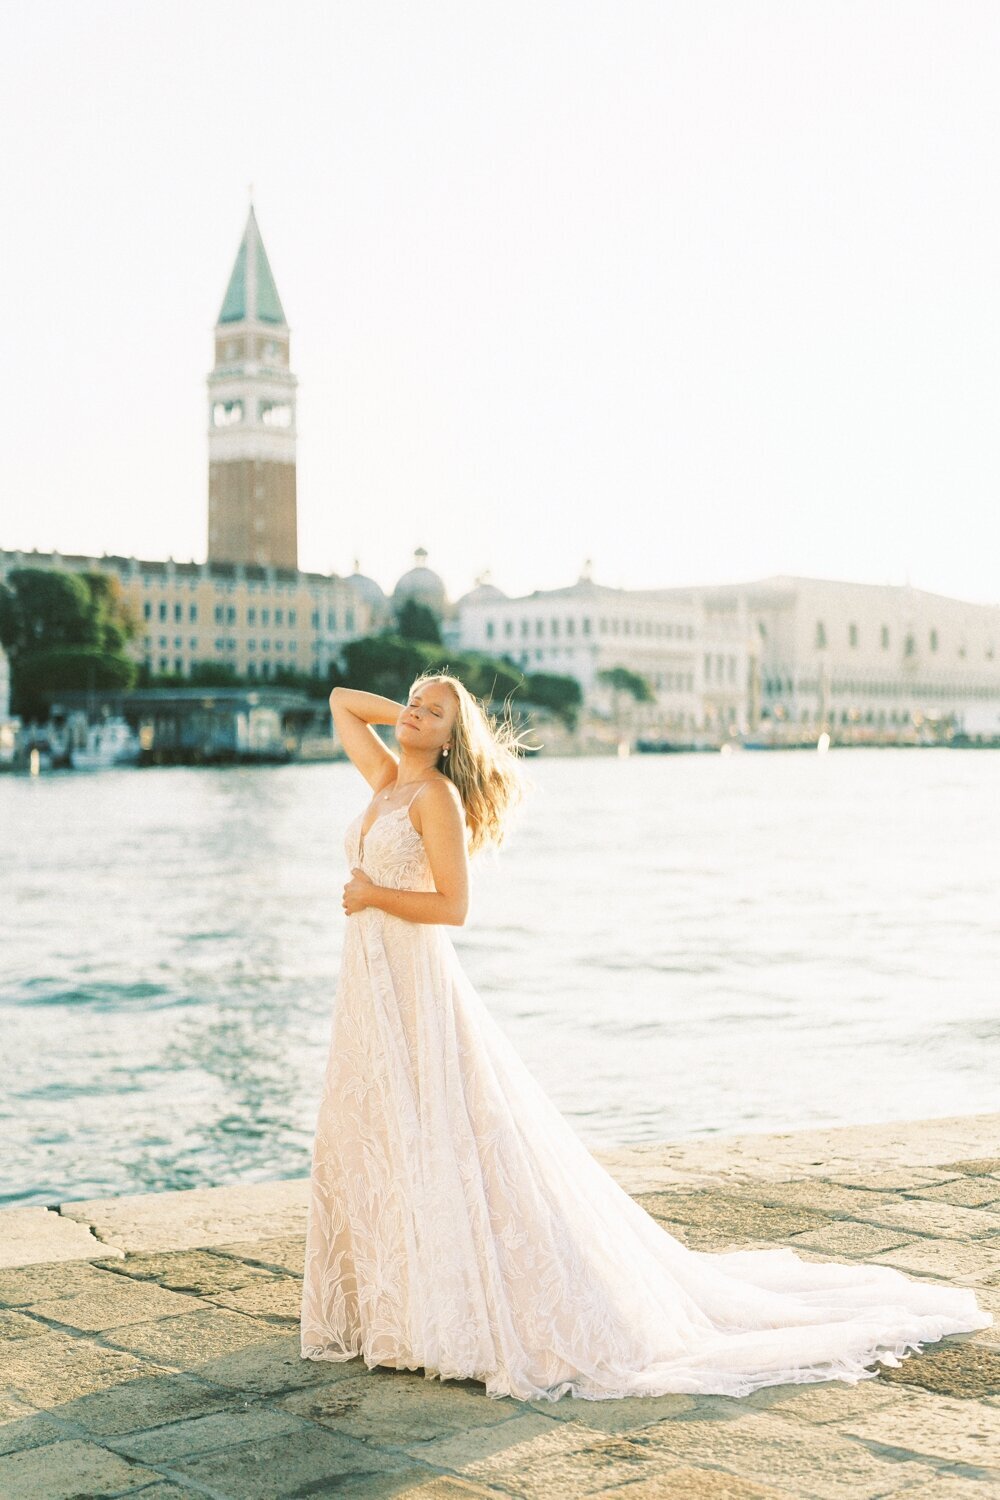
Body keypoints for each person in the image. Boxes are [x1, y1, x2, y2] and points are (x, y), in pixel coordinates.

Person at [300, 672, 992, 1402]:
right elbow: (344, 703)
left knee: (441, 1127)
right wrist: (411, 709)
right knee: (384, 1129)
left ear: (451, 738)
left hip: (413, 979)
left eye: (433, 713)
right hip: (369, 984)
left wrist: (374, 892)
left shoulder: (435, 797)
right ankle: (396, 1305)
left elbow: (454, 906)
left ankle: (458, 1304)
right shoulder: (384, 781)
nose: (413, 716)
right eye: (412, 704)